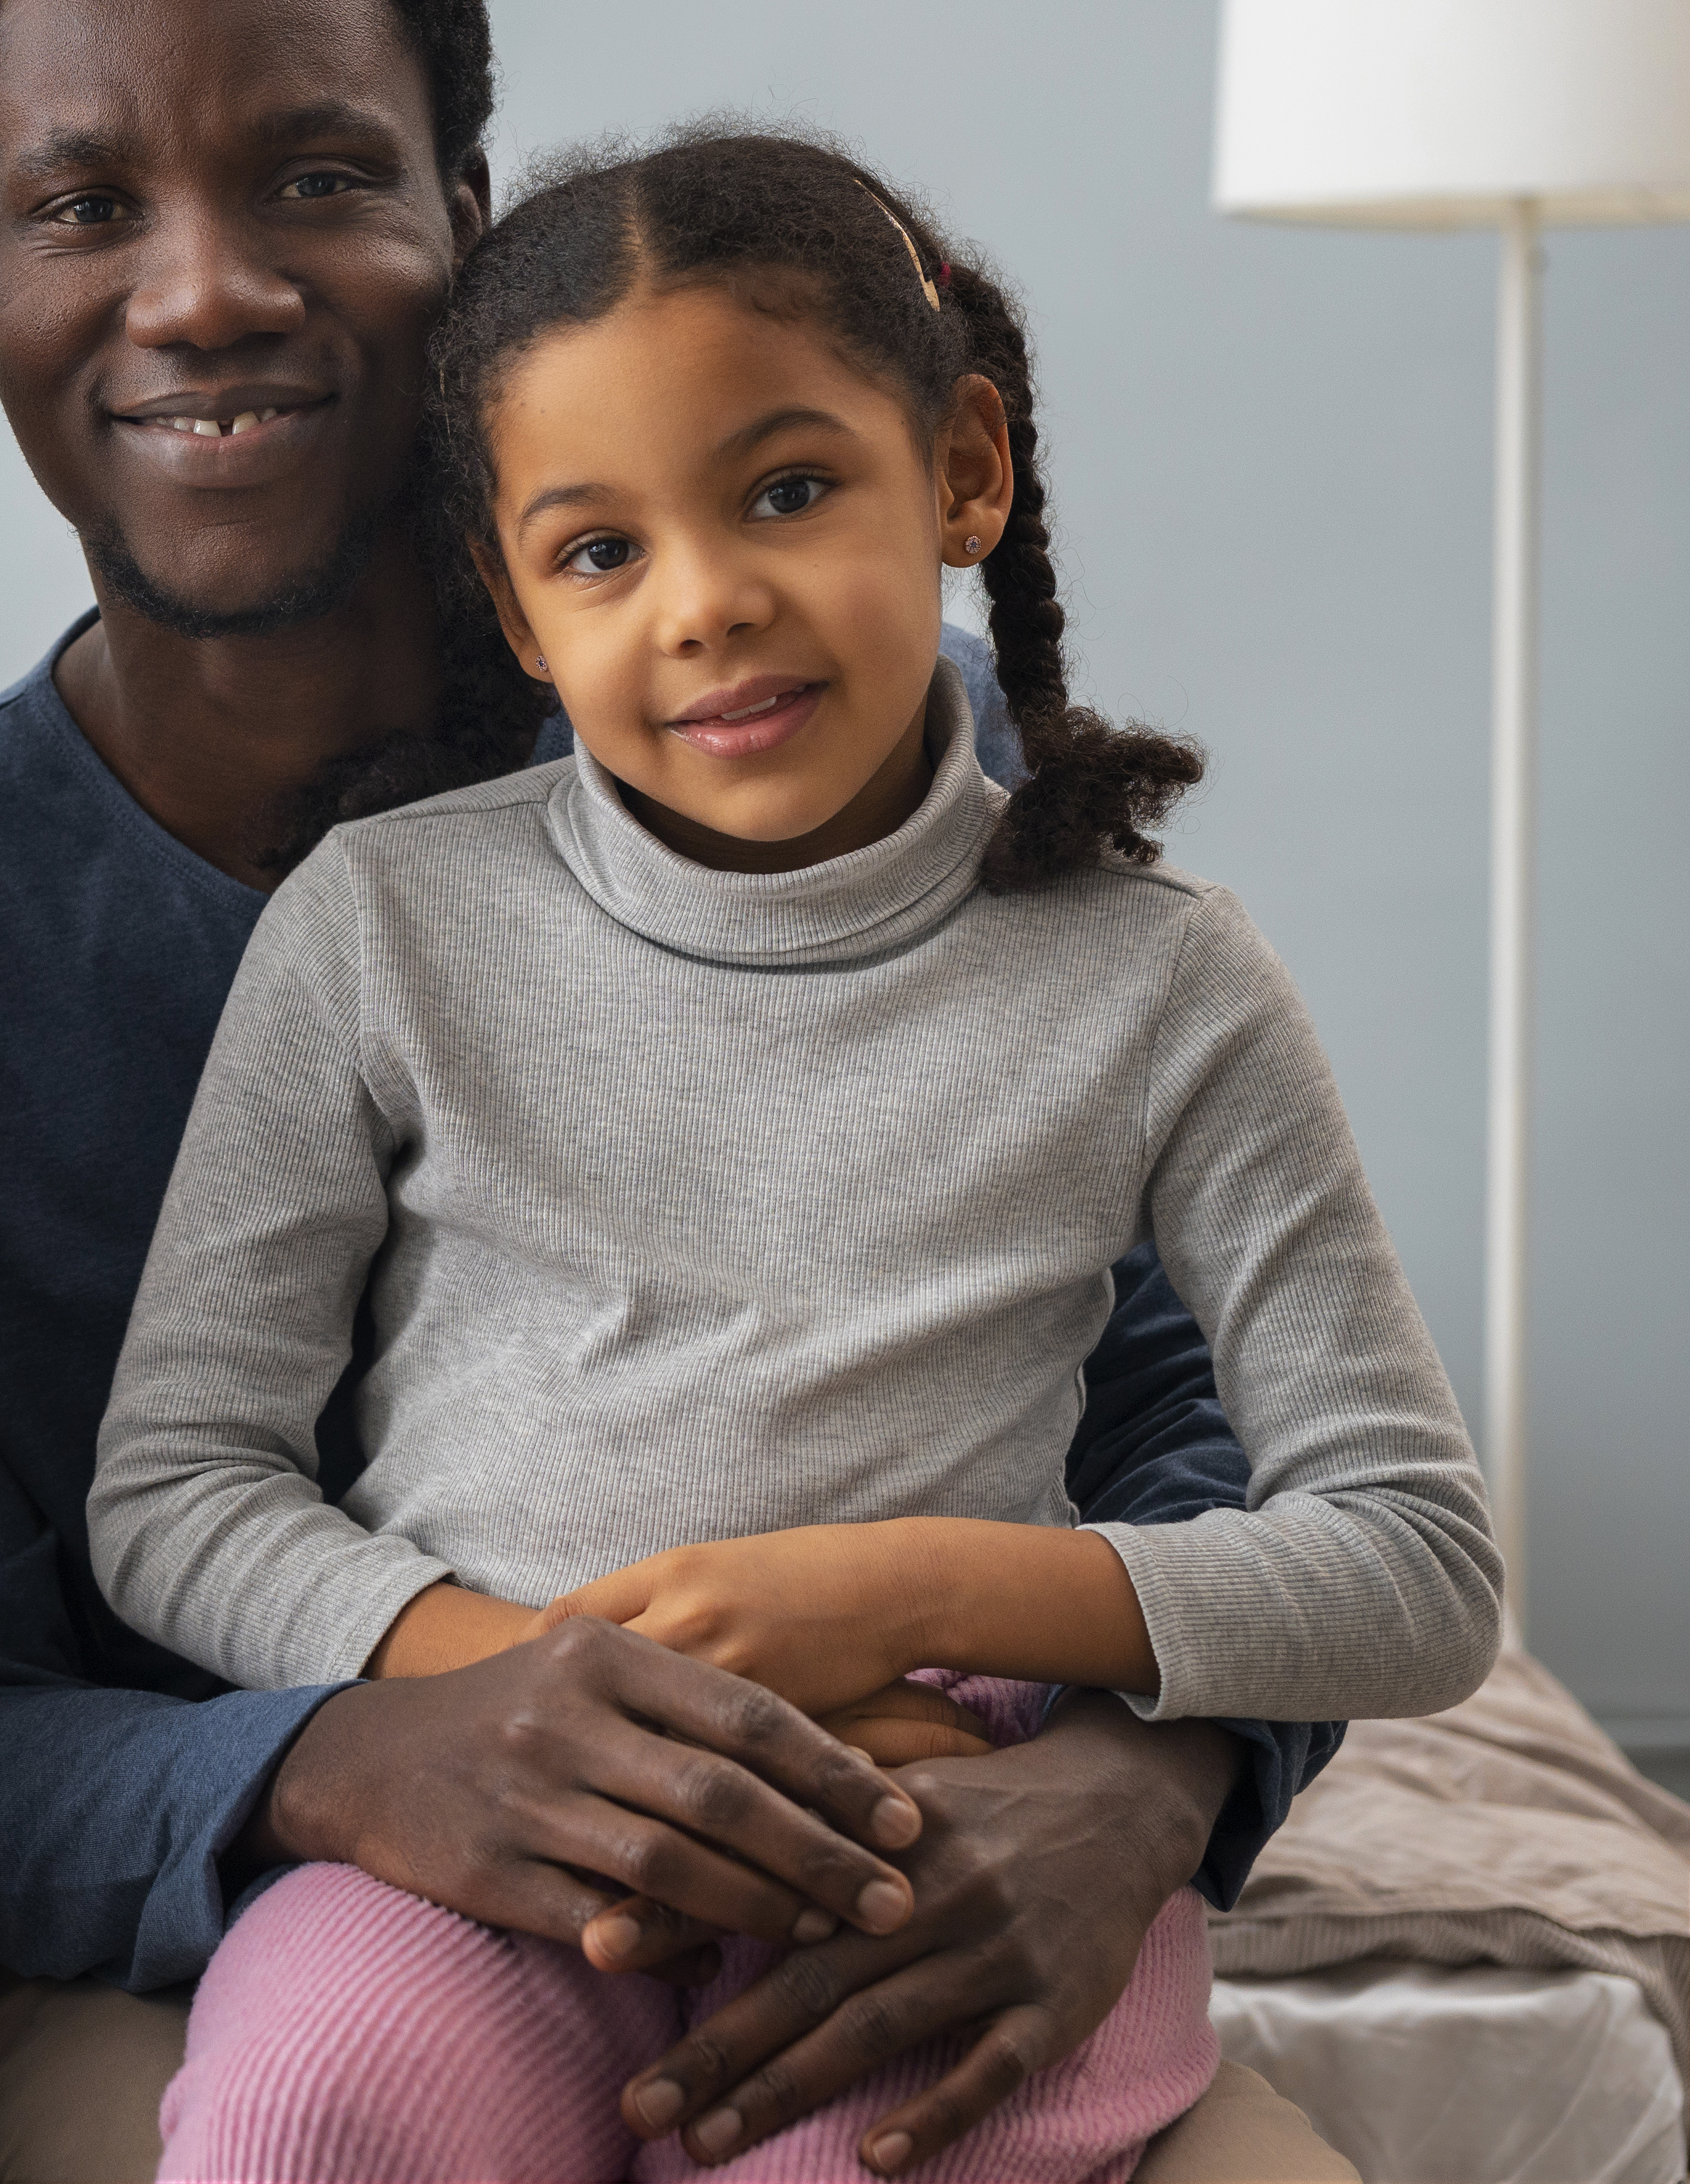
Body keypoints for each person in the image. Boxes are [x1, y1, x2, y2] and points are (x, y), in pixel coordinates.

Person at [0, 0, 1360, 2184]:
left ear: (461, 220)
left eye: (314, 175)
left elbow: (1216, 1436)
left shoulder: (865, 761)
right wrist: (351, 1756)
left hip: (880, 1868)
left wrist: (1134, 1790)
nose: (203, 286)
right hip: (169, 1943)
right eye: (81, 202)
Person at [92, 128, 1498, 2182]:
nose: (710, 603)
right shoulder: (377, 926)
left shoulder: (1164, 986)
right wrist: (542, 1692)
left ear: (962, 472)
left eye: (787, 489)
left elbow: (1417, 1562)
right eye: (599, 552)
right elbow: (177, 1487)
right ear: (511, 601)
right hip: (495, 1819)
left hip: (928, 1829)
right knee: (310, 2118)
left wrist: (911, 1594)